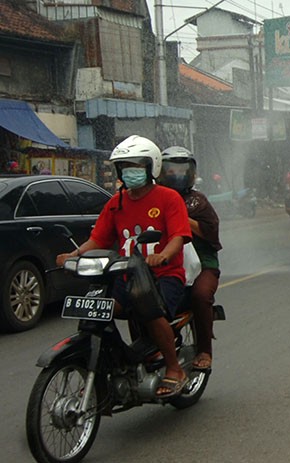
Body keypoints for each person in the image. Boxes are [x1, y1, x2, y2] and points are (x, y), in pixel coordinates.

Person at [56, 135, 192, 398]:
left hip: (163, 275)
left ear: (150, 167)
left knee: (150, 310)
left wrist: (162, 255)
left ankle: (175, 369)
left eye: (135, 166)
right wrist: (73, 254)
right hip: (125, 273)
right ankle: (110, 363)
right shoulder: (116, 202)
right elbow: (99, 238)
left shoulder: (168, 198)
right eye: (124, 167)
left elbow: (178, 237)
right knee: (98, 308)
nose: (130, 172)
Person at [157, 146, 222, 370]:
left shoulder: (197, 201)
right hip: (165, 264)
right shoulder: (155, 199)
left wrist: (181, 217)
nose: (177, 174)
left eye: (182, 169)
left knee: (201, 295)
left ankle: (204, 350)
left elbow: (211, 232)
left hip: (203, 264)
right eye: (171, 170)